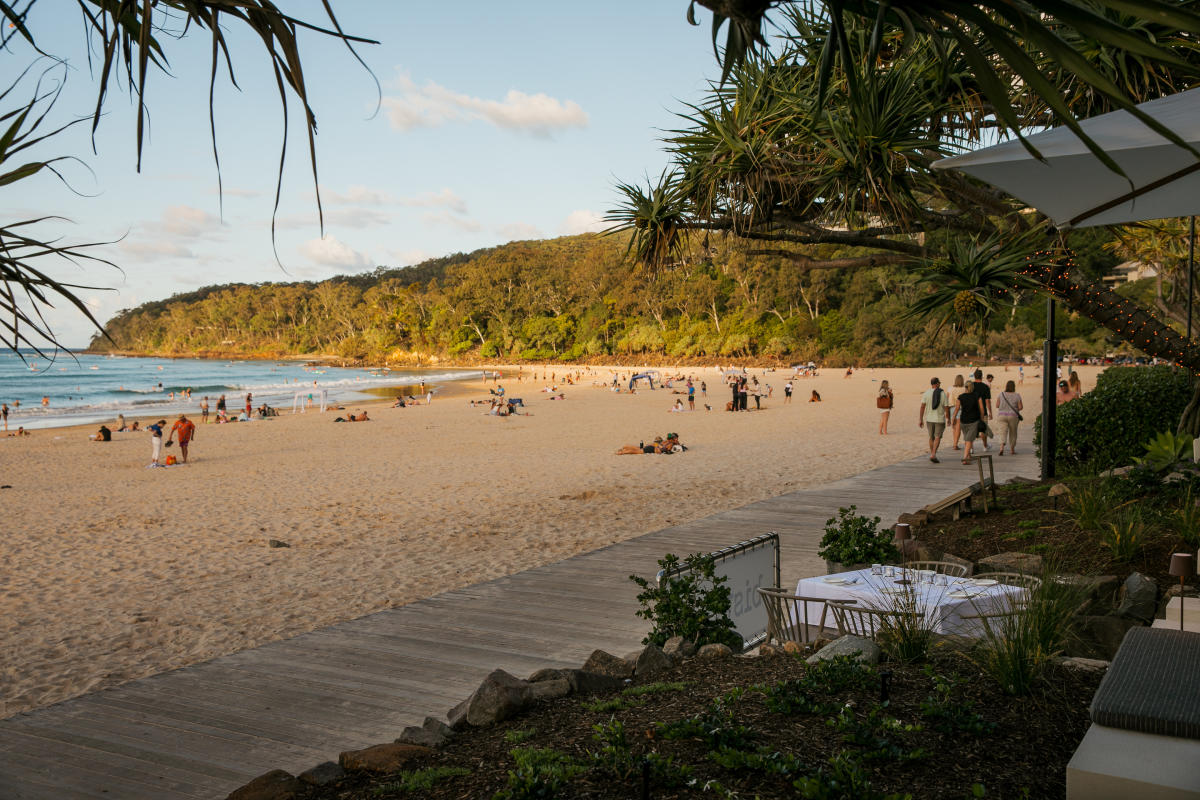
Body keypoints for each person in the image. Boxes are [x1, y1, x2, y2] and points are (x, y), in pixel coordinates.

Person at [919, 377, 951, 463]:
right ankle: (933, 454)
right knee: (937, 437)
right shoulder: (942, 393)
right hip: (939, 419)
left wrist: (921, 419)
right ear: (936, 384)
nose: (940, 384)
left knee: (931, 437)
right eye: (939, 383)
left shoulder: (926, 393)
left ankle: (932, 453)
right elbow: (946, 407)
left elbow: (922, 407)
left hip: (929, 419)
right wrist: (948, 418)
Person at [955, 380, 986, 464]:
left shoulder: (960, 397)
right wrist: (982, 418)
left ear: (965, 387)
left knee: (967, 438)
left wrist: (953, 417)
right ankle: (965, 458)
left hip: (963, 420)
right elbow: (982, 408)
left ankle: (968, 456)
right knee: (969, 439)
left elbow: (957, 408)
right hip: (973, 420)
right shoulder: (977, 396)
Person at [995, 380, 1023, 455]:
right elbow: (1020, 407)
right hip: (1013, 416)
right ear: (1014, 387)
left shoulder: (1001, 394)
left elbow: (997, 405)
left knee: (1002, 432)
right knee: (1013, 433)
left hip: (1002, 415)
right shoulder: (1017, 395)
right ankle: (1012, 450)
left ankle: (1001, 448)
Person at [972, 369, 993, 451]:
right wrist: (990, 412)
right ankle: (985, 446)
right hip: (983, 411)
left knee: (972, 429)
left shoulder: (971, 386)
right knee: (983, 428)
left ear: (974, 376)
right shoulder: (985, 387)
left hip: (972, 410)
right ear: (982, 376)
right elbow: (988, 401)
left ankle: (971, 448)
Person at [950, 374, 966, 449]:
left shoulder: (951, 389)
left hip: (952, 408)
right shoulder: (964, 389)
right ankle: (955, 444)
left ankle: (954, 442)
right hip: (960, 409)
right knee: (958, 428)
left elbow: (948, 399)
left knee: (954, 427)